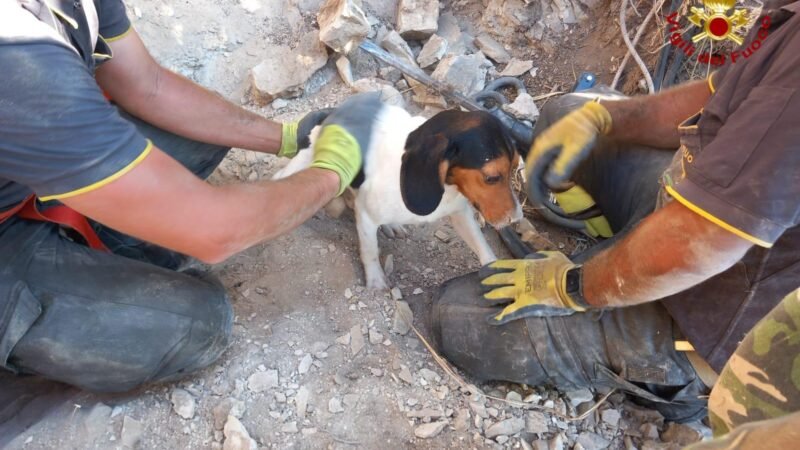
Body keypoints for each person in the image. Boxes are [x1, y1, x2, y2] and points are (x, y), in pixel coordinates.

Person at [430, 0, 800, 422]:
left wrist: (569, 285)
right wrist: (603, 120)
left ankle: (684, 388)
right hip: (687, 206)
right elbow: (715, 96)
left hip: (716, 312)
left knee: (457, 315)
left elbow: (700, 240)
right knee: (562, 115)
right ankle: (620, 241)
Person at [0, 0, 383, 393]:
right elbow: (216, 232)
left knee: (200, 139)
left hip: (26, 173)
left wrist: (288, 139)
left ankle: (106, 255)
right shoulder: (14, 58)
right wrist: (332, 171)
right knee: (198, 324)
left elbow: (148, 85)